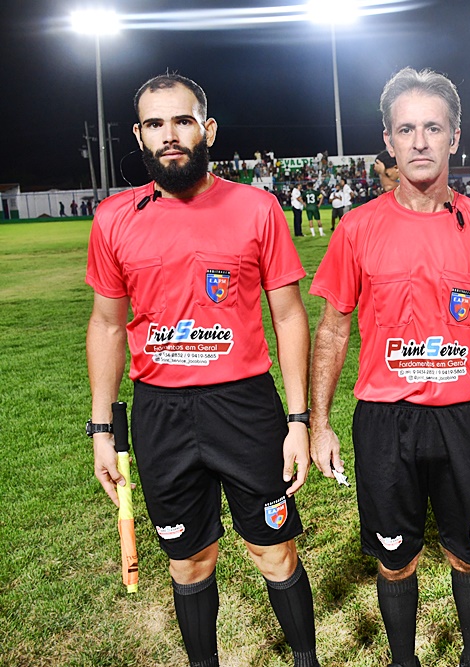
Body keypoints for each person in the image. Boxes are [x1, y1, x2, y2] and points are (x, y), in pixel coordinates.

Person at [85, 73, 321, 667]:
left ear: (207, 129)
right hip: (160, 413)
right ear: (139, 135)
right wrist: (102, 429)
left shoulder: (257, 208)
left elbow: (289, 315)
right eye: (156, 124)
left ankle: (306, 660)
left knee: (274, 552)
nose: (170, 135)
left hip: (244, 406)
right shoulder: (114, 218)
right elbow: (108, 326)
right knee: (189, 562)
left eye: (183, 121)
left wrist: (298, 421)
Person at [309, 67, 470, 667]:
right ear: (388, 140)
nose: (419, 142)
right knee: (394, 559)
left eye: (432, 128)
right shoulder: (357, 228)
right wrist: (318, 424)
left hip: (464, 416)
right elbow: (332, 330)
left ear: (454, 137)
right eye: (406, 129)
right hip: (385, 421)